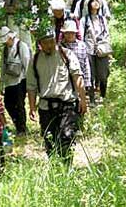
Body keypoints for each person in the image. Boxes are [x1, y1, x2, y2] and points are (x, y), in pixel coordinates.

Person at [27, 27, 87, 162]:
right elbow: (31, 87)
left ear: (55, 40)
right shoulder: (35, 60)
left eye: (51, 41)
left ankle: (67, 168)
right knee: (49, 139)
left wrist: (83, 100)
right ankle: (55, 169)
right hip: (45, 107)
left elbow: (77, 77)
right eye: (45, 42)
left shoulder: (67, 55)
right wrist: (31, 107)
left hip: (66, 104)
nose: (49, 45)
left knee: (66, 137)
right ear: (40, 44)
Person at [0, 26, 31, 136]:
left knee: (20, 105)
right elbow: (2, 66)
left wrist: (29, 82)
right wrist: (1, 84)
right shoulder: (5, 49)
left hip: (20, 80)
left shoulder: (21, 46)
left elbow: (27, 64)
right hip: (9, 81)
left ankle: (22, 129)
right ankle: (17, 124)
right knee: (8, 104)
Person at [79, 0, 111, 105]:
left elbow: (107, 34)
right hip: (89, 50)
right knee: (90, 75)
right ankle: (92, 99)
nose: (95, 3)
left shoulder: (103, 19)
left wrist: (106, 47)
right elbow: (81, 35)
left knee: (103, 75)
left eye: (97, 1)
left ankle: (103, 95)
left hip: (102, 50)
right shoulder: (85, 20)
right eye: (93, 1)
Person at [60, 20, 93, 106]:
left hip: (79, 79)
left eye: (72, 33)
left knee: (80, 102)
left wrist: (87, 82)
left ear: (75, 33)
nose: (70, 35)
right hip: (65, 81)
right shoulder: (59, 47)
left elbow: (86, 65)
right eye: (67, 33)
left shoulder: (82, 46)